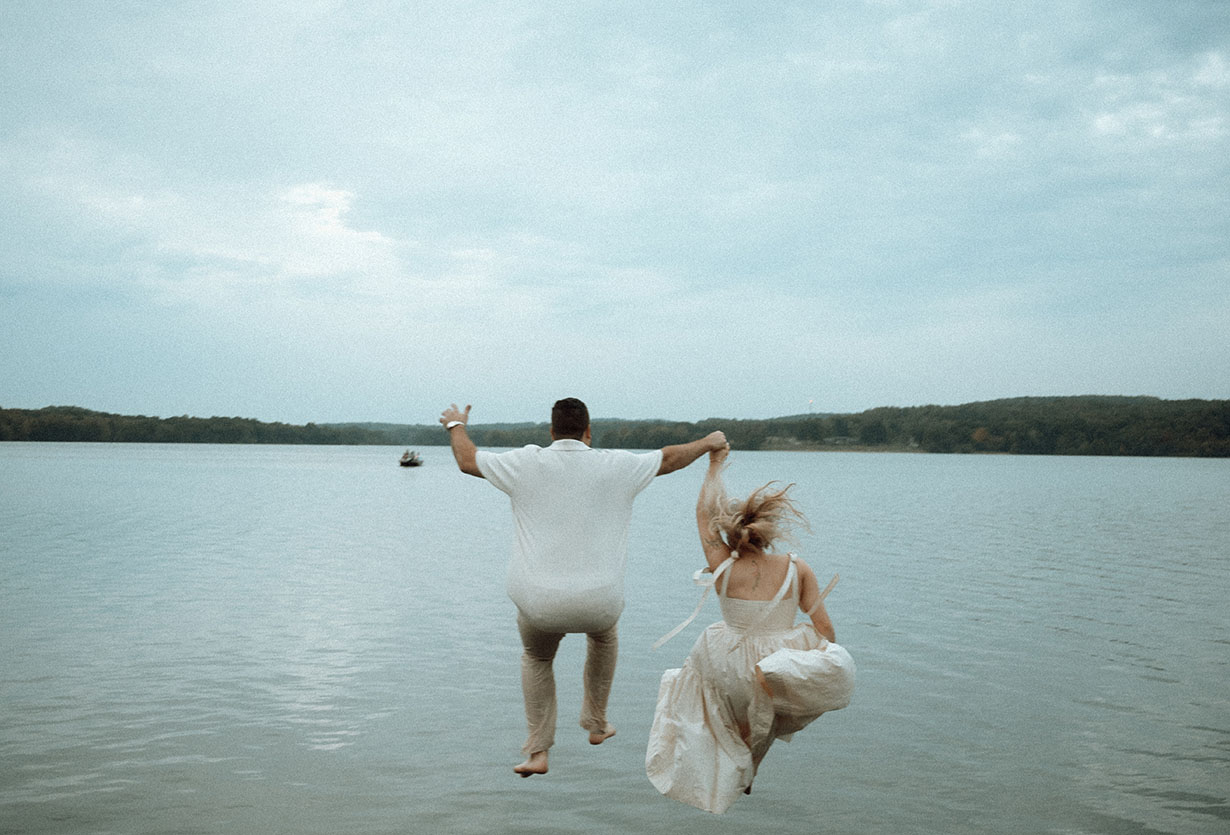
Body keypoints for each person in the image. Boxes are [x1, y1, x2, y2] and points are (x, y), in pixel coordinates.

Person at [439, 398, 727, 777]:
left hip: (538, 604)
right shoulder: (617, 465)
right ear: (589, 432)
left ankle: (537, 751)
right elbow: (670, 457)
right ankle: (596, 722)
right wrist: (708, 442)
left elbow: (467, 460)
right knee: (603, 635)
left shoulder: (526, 463)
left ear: (551, 432)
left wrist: (456, 424)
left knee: (537, 657)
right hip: (599, 602)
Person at [645, 442, 855, 814]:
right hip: (770, 668)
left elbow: (701, 514)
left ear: (730, 536)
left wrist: (715, 466)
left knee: (706, 697)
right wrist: (799, 655)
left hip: (725, 661)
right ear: (768, 534)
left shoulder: (722, 565)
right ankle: (752, 761)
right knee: (771, 705)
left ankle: (726, 758)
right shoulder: (797, 567)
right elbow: (826, 632)